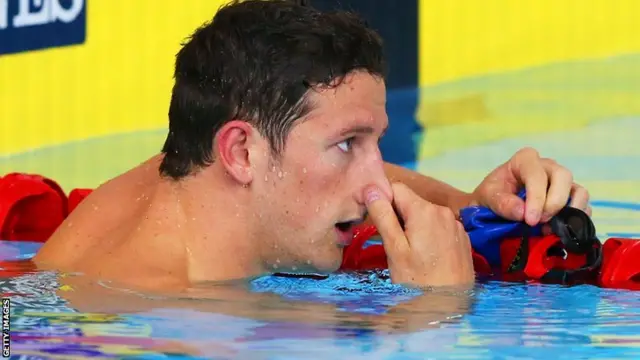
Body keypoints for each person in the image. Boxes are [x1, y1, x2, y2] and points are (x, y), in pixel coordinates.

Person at [33, 0, 591, 292]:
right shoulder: (182, 312)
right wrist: (437, 308)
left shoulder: (181, 170)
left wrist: (471, 204)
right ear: (242, 153)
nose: (378, 184)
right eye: (348, 144)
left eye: (372, 141)